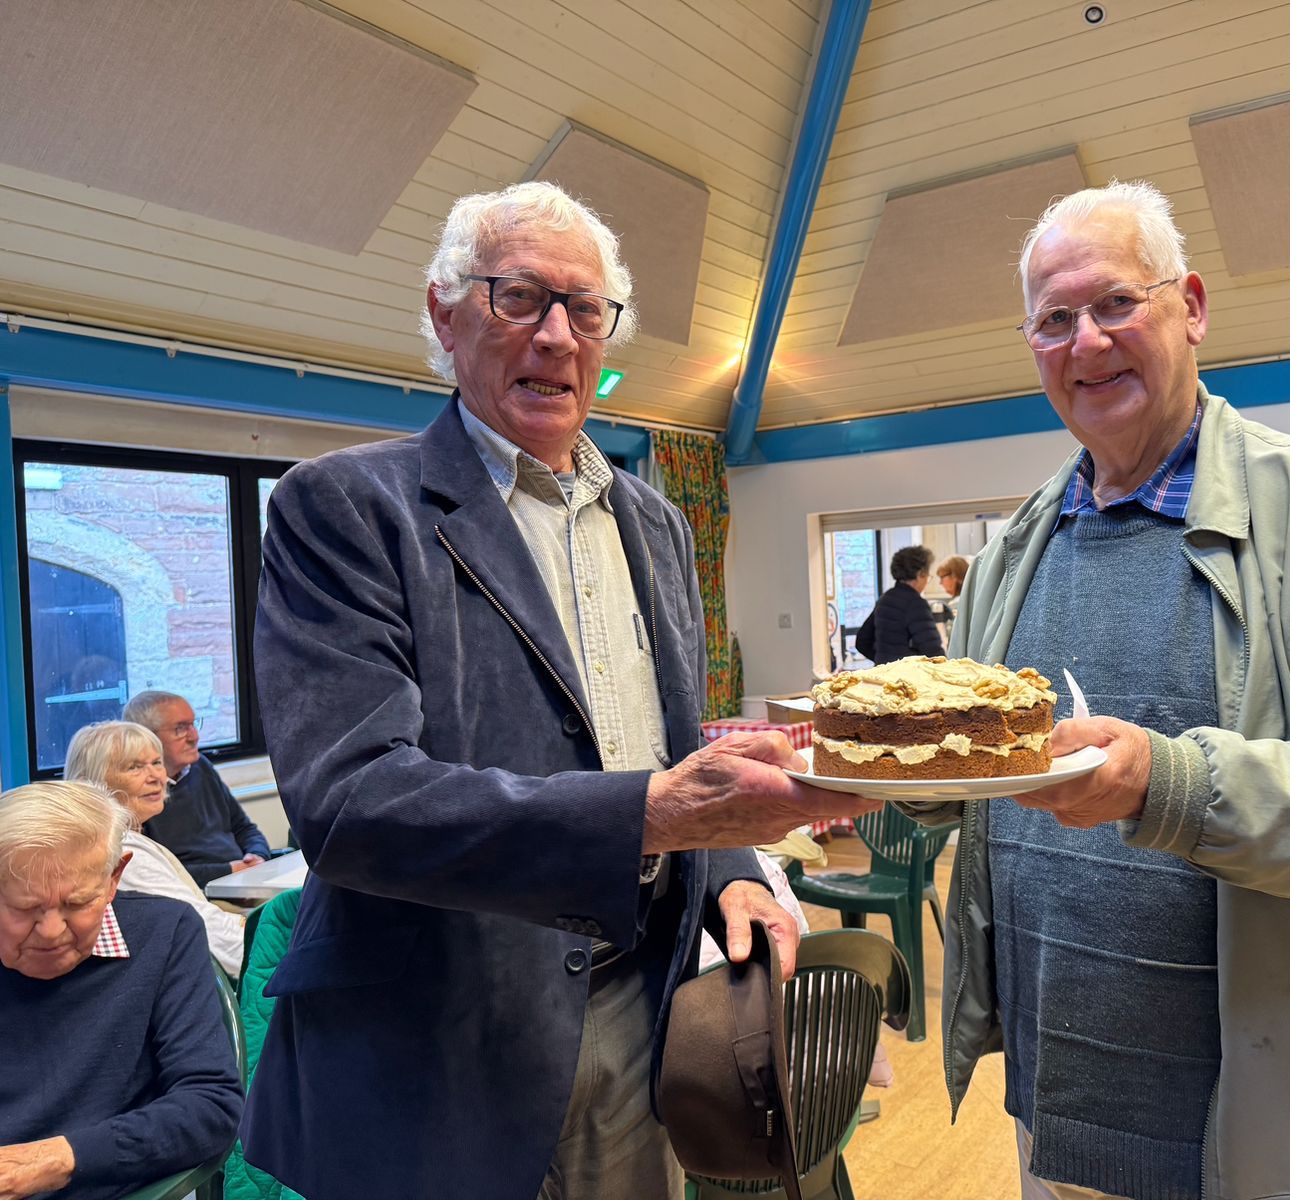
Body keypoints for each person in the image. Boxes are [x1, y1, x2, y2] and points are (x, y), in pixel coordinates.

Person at [244, 180, 873, 1200]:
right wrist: (655, 814)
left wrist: (732, 871)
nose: (555, 334)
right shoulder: (345, 507)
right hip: (434, 1038)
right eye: (517, 298)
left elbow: (670, 748)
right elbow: (350, 802)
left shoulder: (656, 521)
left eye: (584, 309)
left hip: (635, 1006)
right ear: (444, 316)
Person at [906, 181, 1290, 1200]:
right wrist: (885, 777)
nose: (1085, 343)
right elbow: (996, 787)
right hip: (1058, 1123)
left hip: (1281, 1138)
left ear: (1190, 306)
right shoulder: (1013, 550)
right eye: (1053, 320)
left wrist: (1169, 786)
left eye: (1113, 305)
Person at [0, 781, 243, 1200]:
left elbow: (210, 1106)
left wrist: (57, 1160)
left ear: (114, 877)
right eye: (24, 908)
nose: (52, 931)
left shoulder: (164, 933)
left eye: (78, 903)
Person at [65, 720, 247, 976]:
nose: (155, 777)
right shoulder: (124, 852)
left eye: (156, 763)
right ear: (91, 781)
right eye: (135, 767)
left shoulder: (126, 837)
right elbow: (202, 928)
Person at [124, 690, 272, 885]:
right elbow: (155, 873)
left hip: (241, 878)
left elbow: (244, 828)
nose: (194, 736)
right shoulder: (140, 792)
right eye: (180, 729)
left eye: (193, 724)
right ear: (147, 736)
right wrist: (229, 871)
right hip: (201, 890)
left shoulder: (200, 766)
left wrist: (257, 855)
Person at [855, 545, 943, 663]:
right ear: (920, 574)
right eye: (928, 576)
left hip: (883, 676)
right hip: (906, 677)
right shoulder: (916, 604)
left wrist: (883, 661)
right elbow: (933, 652)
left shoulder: (884, 599)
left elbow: (862, 642)